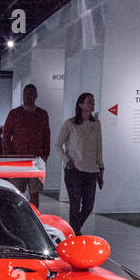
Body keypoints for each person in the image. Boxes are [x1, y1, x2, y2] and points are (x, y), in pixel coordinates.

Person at [56, 93, 105, 233]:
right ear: (81, 104)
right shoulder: (70, 124)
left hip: (91, 172)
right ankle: (75, 233)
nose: (92, 105)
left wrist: (101, 168)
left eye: (93, 102)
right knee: (75, 204)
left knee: (88, 206)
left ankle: (74, 229)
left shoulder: (96, 124)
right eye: (89, 102)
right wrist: (67, 160)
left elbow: (99, 147)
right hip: (74, 171)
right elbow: (58, 145)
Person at [3, 83, 51, 207]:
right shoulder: (14, 114)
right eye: (26, 93)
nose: (29, 96)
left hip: (36, 160)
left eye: (31, 94)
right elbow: (6, 136)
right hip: (17, 159)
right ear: (23, 95)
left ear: (36, 96)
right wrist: (9, 157)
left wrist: (45, 156)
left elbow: (47, 136)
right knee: (17, 192)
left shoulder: (42, 114)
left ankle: (34, 219)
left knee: (35, 193)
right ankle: (16, 218)